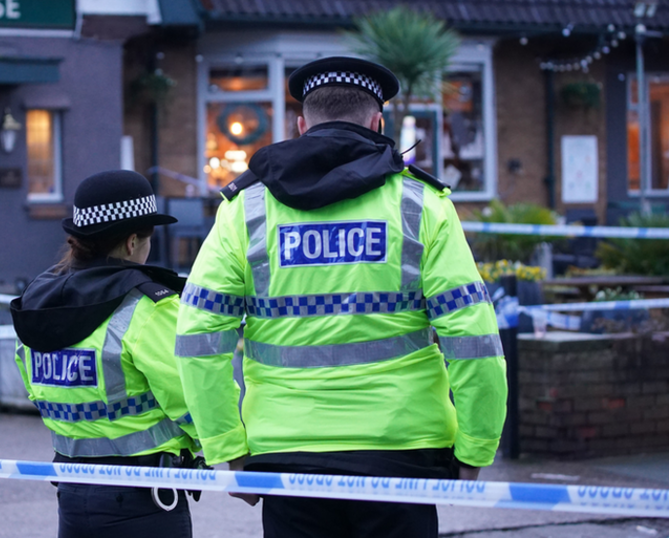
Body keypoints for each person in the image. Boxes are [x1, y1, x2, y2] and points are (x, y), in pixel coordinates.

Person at [175, 57, 508, 538]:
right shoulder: (421, 205)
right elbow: (473, 337)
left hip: (286, 452)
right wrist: (476, 448)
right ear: (378, 123)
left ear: (301, 124)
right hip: (401, 450)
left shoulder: (245, 210)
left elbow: (199, 339)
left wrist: (227, 450)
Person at [11, 170, 201, 538]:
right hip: (144, 500)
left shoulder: (39, 302)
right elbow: (193, 395)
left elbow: (35, 388)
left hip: (71, 489)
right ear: (132, 242)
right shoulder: (148, 308)